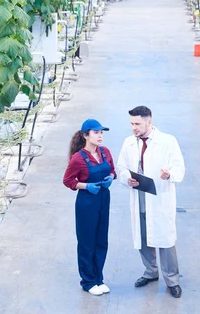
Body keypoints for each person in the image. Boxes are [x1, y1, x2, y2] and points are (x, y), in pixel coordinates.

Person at [117, 106, 185, 298]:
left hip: (160, 196)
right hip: (139, 194)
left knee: (165, 240)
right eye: (131, 124)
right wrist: (126, 178)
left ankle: (172, 280)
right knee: (144, 238)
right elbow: (121, 167)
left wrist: (169, 174)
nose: (134, 128)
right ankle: (151, 272)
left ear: (149, 121)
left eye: (137, 124)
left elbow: (179, 167)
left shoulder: (168, 141)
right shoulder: (129, 143)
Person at [63, 119, 116, 296]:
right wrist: (86, 186)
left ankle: (98, 278)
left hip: (103, 198)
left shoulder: (105, 152)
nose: (100, 136)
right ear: (85, 135)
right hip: (87, 201)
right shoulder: (78, 158)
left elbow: (112, 171)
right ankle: (88, 281)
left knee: (101, 240)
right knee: (87, 242)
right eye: (96, 133)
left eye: (101, 133)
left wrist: (110, 177)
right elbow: (68, 181)